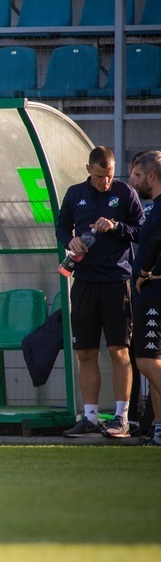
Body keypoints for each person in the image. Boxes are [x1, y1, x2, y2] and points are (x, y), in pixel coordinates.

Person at [55, 146, 144, 438]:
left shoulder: (125, 193)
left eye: (109, 176)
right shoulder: (74, 194)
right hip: (84, 282)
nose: (105, 182)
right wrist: (70, 242)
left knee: (119, 350)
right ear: (88, 170)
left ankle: (122, 418)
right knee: (85, 352)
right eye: (99, 176)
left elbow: (142, 231)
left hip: (117, 282)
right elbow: (61, 227)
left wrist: (116, 226)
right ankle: (90, 417)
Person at [129, 150, 161, 445]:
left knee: (147, 363)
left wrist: (145, 271)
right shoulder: (155, 208)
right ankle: (159, 429)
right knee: (154, 363)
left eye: (138, 175)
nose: (134, 181)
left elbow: (158, 240)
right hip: (149, 293)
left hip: (153, 294)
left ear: (151, 176)